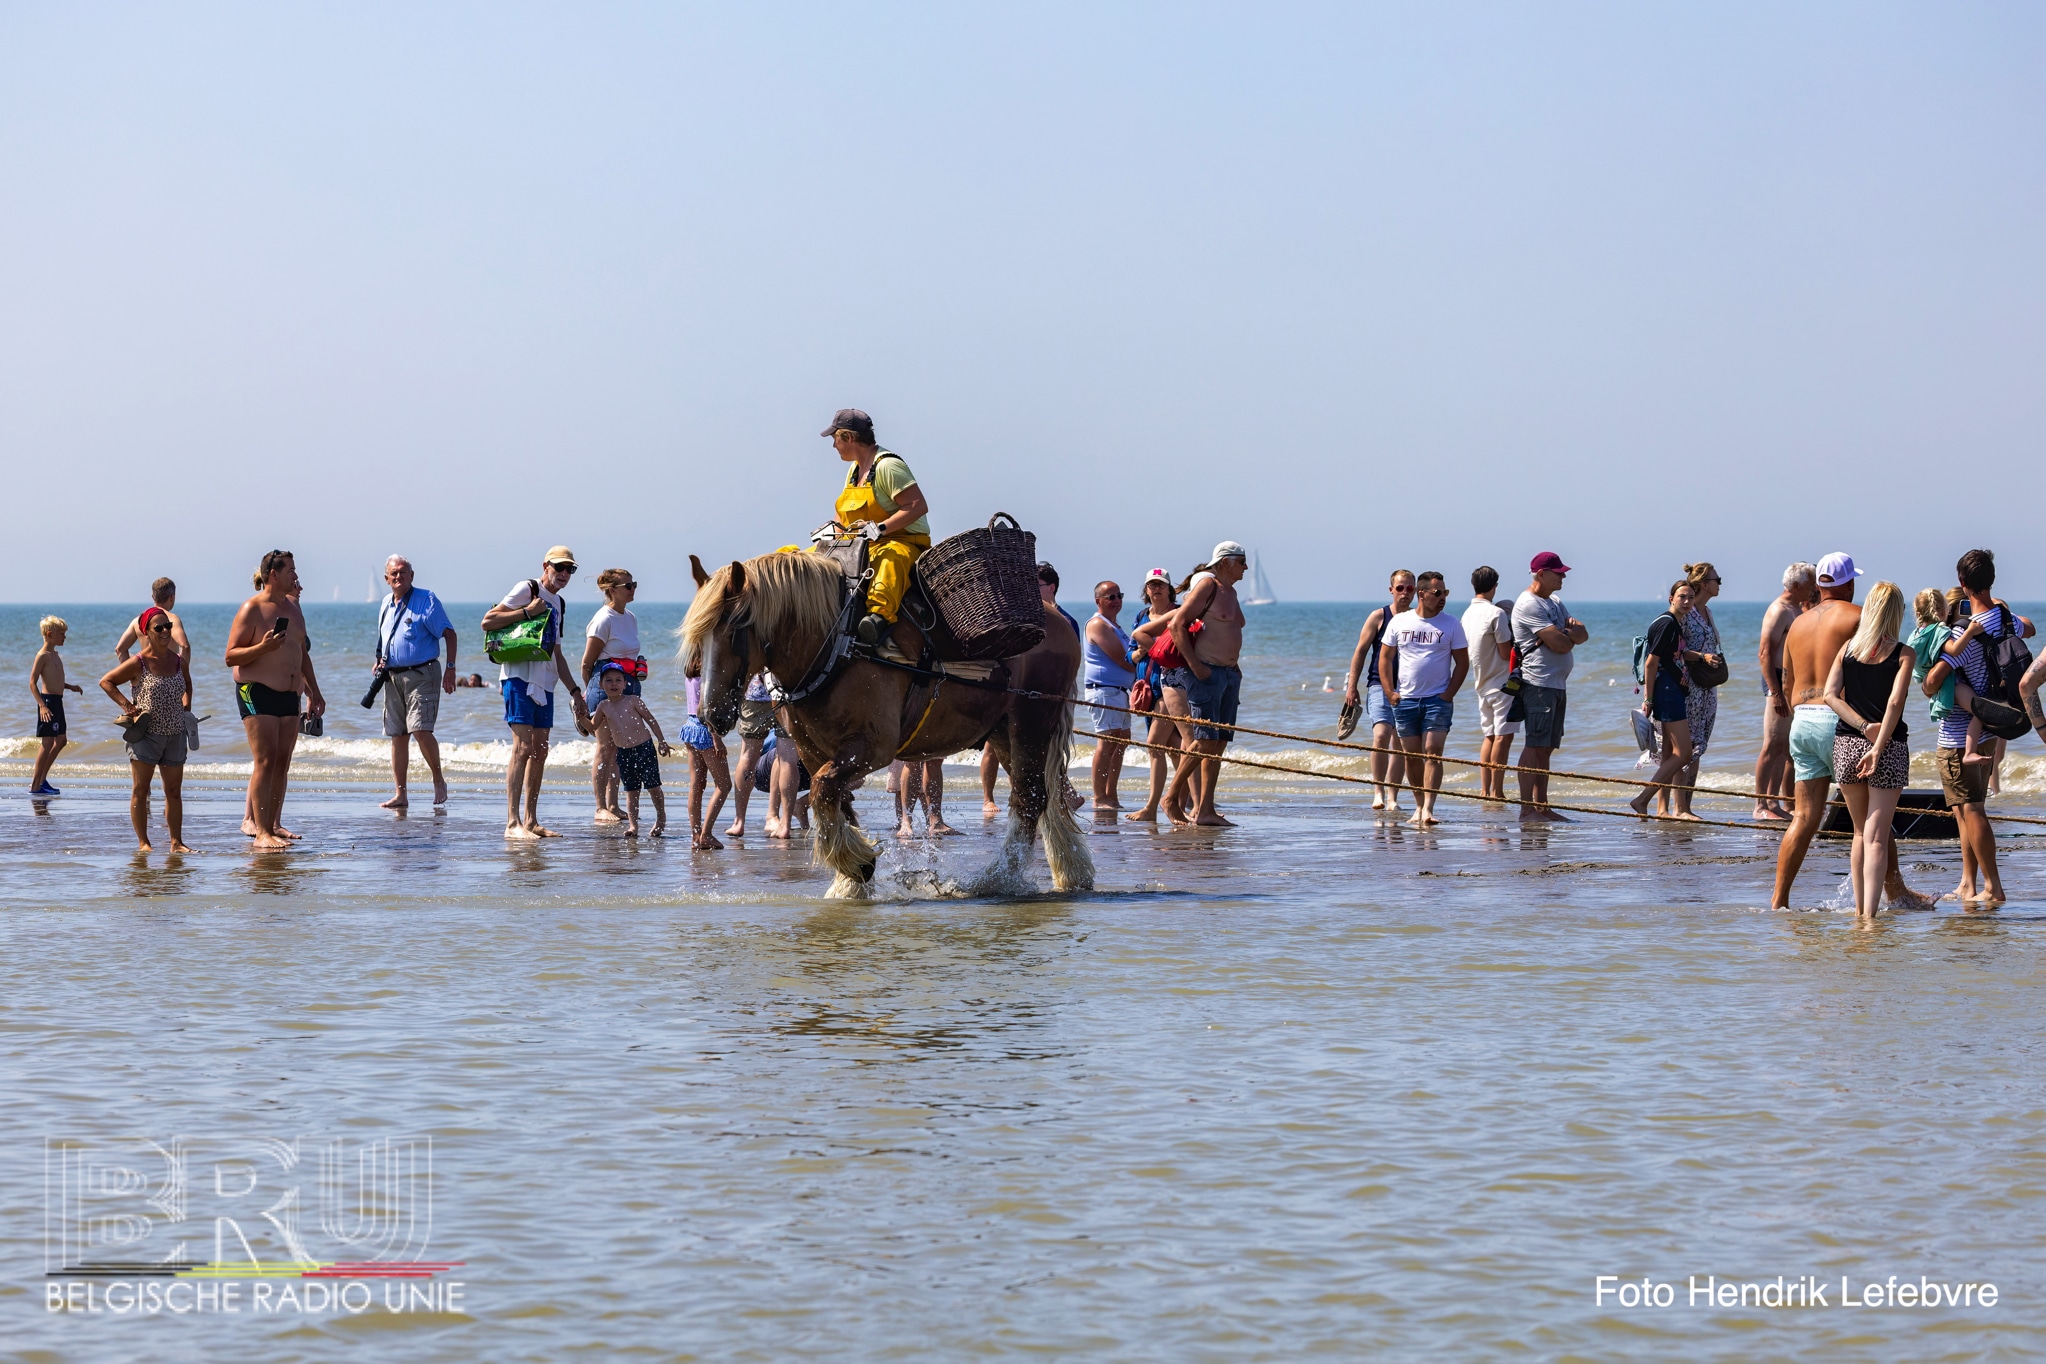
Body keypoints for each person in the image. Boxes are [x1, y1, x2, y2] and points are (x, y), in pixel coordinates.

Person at [1770, 552, 1929, 911]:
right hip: (1841, 722)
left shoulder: (1797, 623)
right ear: (1848, 583)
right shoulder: (1859, 618)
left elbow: (1788, 680)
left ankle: (1779, 901)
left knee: (1804, 817)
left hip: (1802, 721)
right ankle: (1895, 893)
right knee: (1873, 819)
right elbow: (1873, 669)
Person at [1922, 549, 2035, 906]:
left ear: (1962, 583)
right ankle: (1970, 884)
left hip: (1957, 737)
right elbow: (2029, 627)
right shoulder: (2004, 620)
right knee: (1967, 810)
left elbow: (1932, 681)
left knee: (1971, 810)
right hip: (1988, 729)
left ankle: (1993, 887)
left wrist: (1928, 679)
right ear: (1992, 581)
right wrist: (2000, 606)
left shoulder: (1961, 632)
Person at [480, 547, 589, 840]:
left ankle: (531, 820)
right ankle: (511, 823)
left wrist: (576, 691)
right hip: (518, 678)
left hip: (546, 682)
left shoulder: (560, 603)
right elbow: (488, 621)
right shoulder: (527, 588)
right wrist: (528, 611)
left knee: (541, 750)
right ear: (546, 565)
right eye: (560, 567)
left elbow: (557, 653)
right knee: (523, 748)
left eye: (570, 570)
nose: (565, 574)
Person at [1822, 582, 1915, 919]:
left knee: (1860, 833)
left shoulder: (1848, 648)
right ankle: (1870, 919)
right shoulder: (1904, 653)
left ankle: (1860, 913)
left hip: (1846, 744)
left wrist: (1861, 727)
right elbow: (1894, 702)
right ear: (1896, 614)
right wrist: (1876, 744)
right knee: (1876, 836)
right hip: (1887, 748)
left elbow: (1831, 695)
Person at [225, 551, 323, 850]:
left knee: (282, 762)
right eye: (291, 570)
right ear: (273, 575)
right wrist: (262, 647)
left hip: (289, 694)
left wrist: (314, 691)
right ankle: (262, 832)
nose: (296, 575)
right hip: (256, 691)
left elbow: (300, 653)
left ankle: (274, 826)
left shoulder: (293, 607)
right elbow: (231, 656)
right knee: (265, 761)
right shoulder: (251, 609)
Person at [820, 409, 932, 647]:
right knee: (807, 560)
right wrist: (832, 534)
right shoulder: (854, 471)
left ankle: (878, 620)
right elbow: (843, 513)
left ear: (849, 437)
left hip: (900, 542)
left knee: (889, 560)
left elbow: (917, 505)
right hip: (860, 545)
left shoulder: (888, 466)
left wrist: (879, 529)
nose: (834, 446)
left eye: (835, 439)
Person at [1164, 543, 1248, 828]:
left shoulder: (1231, 592)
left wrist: (1233, 666)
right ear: (1225, 562)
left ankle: (1206, 809)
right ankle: (1171, 798)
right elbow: (1177, 624)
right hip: (1206, 672)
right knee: (1203, 740)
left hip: (1228, 674)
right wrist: (1196, 666)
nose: (1246, 568)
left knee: (1219, 742)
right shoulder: (1207, 586)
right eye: (1241, 562)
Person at [99, 607, 196, 853]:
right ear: (147, 632)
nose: (166, 632)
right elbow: (106, 682)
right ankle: (144, 843)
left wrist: (186, 709)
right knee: (141, 789)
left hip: (175, 734)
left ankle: (176, 842)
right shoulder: (138, 663)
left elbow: (187, 683)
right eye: (159, 628)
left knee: (173, 791)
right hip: (145, 735)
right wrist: (127, 706)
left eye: (168, 627)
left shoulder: (178, 661)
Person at [1378, 571, 1469, 827]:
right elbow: (1384, 659)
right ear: (1422, 594)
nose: (1443, 598)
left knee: (1433, 752)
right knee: (1412, 756)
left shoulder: (1451, 624)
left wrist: (1449, 693)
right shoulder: (1399, 622)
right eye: (1437, 593)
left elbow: (1462, 663)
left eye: (1445, 593)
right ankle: (1418, 805)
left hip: (1437, 700)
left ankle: (1429, 807)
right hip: (1405, 700)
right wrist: (1390, 693)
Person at [374, 555, 458, 811]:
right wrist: (378, 660)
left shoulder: (426, 599)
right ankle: (401, 794)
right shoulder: (386, 603)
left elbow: (449, 634)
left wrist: (451, 668)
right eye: (393, 574)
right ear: (387, 579)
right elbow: (384, 640)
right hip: (392, 676)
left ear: (411, 575)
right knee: (398, 736)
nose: (398, 577)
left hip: (423, 673)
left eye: (403, 572)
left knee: (421, 730)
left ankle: (438, 780)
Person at [1511, 552, 1588, 822]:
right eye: (1558, 572)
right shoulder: (1528, 604)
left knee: (1546, 747)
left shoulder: (1554, 601)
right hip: (1538, 683)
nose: (1563, 576)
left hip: (1557, 684)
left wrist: (1568, 634)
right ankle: (1526, 809)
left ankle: (1542, 807)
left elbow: (1583, 634)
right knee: (1534, 745)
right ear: (1541, 574)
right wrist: (1568, 634)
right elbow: (1562, 643)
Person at [1344, 571, 1418, 812]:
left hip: (1408, 689)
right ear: (1391, 590)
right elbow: (1360, 652)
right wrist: (1351, 687)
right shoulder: (1379, 616)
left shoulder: (1418, 620)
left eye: (1409, 588)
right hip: (1378, 685)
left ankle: (1393, 797)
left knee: (1400, 743)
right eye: (1400, 588)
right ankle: (1378, 793)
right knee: (1380, 736)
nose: (1405, 593)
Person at [1630, 582, 1703, 820]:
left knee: (1670, 751)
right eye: (1682, 596)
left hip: (1670, 690)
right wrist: (1648, 698)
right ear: (1671, 598)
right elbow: (1652, 663)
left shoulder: (1673, 623)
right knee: (1684, 754)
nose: (1687, 601)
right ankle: (1642, 799)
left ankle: (1661, 809)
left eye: (1691, 597)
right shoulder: (1667, 623)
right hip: (1667, 692)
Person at [1662, 561, 1728, 819]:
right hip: (1688, 686)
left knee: (1698, 745)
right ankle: (1678, 808)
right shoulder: (1686, 613)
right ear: (1703, 584)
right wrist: (1702, 657)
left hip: (1706, 687)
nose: (1719, 583)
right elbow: (1674, 650)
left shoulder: (1707, 612)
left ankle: (1686, 806)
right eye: (1716, 579)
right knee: (1684, 746)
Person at [1125, 569, 1191, 824]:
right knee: (1176, 749)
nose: (1156, 589)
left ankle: (1154, 806)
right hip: (1147, 689)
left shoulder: (1179, 611)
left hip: (1171, 687)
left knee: (1154, 744)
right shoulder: (1142, 616)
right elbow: (1129, 654)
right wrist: (1137, 654)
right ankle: (1185, 804)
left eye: (1161, 585)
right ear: (1146, 590)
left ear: (1169, 588)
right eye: (1151, 585)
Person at [1753, 562, 1817, 820]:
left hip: (1793, 681)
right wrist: (1775, 691)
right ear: (1798, 585)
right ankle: (1760, 805)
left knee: (1786, 746)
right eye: (1811, 583)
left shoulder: (1797, 609)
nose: (1814, 588)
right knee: (1772, 744)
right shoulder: (1778, 610)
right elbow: (1765, 653)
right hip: (1777, 680)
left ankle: (1775, 802)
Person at [580, 568, 644, 823]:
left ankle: (614, 804)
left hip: (628, 685)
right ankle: (600, 807)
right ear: (612, 590)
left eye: (634, 584)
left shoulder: (630, 617)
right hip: (603, 685)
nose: (632, 589)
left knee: (620, 748)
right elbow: (587, 663)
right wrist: (590, 694)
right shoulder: (603, 619)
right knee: (605, 747)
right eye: (628, 585)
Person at [587, 662, 671, 838]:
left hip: (644, 748)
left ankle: (661, 818)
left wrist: (661, 741)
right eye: (608, 680)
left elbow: (651, 720)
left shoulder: (633, 700)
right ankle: (633, 827)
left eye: (618, 680)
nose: (614, 684)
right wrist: (580, 715)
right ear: (601, 685)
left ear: (625, 684)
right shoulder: (603, 706)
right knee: (631, 791)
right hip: (624, 753)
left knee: (654, 787)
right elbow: (592, 727)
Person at [1459, 567, 1517, 802]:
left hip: (1481, 682)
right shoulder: (1497, 614)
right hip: (1502, 682)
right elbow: (1505, 653)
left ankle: (1484, 790)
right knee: (1504, 737)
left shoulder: (1466, 614)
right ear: (1495, 586)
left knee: (1489, 736)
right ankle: (1498, 792)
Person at [1083, 580, 1137, 810]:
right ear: (1098, 601)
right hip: (1103, 691)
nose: (1116, 601)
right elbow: (1123, 659)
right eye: (1110, 597)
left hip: (1119, 692)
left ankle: (1111, 794)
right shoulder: (1098, 624)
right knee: (1106, 742)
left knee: (1122, 741)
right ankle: (1099, 797)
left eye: (1119, 596)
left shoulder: (1115, 626)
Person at [115, 577, 194, 700]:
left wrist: (133, 677)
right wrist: (180, 677)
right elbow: (185, 646)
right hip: (168, 681)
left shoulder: (139, 621)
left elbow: (120, 649)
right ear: (172, 597)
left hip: (144, 682)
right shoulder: (171, 619)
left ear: (153, 597)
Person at [30, 616, 83, 797]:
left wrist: (70, 687)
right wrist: (42, 706)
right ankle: (35, 785)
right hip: (48, 703)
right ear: (49, 634)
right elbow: (32, 683)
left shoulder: (55, 655)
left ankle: (42, 779)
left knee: (61, 740)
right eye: (62, 634)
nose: (65, 637)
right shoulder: (42, 656)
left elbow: (56, 680)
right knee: (47, 742)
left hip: (57, 701)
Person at [726, 673, 776, 837]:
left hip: (755, 690)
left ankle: (739, 821)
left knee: (748, 754)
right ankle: (772, 816)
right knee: (783, 755)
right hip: (783, 689)